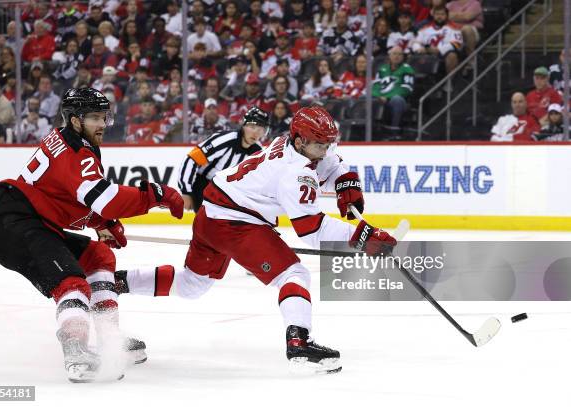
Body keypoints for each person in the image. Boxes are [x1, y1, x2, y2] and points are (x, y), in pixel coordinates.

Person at [116, 106, 397, 374]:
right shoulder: (296, 173)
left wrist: (347, 182)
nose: (324, 152)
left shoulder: (288, 144)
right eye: (318, 145)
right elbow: (312, 230)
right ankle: (299, 344)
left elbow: (333, 162)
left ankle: (116, 281)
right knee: (294, 274)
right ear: (299, 141)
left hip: (213, 211)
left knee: (192, 284)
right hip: (236, 222)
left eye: (327, 144)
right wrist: (363, 237)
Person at [0, 88, 184, 383]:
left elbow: (66, 195)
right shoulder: (76, 152)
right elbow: (107, 197)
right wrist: (157, 195)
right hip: (17, 226)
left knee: (99, 256)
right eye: (95, 118)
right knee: (72, 282)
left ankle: (108, 339)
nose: (102, 124)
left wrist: (103, 221)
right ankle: (75, 351)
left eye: (104, 117)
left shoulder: (71, 140)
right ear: (75, 120)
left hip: (32, 223)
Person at [178, 107, 268, 211]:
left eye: (261, 129)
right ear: (244, 126)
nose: (256, 133)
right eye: (252, 127)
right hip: (203, 185)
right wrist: (186, 191)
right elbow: (192, 159)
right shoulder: (226, 140)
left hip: (227, 191)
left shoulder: (258, 151)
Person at [411, 6, 463, 75]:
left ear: (447, 16)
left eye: (442, 14)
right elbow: (415, 42)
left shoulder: (453, 28)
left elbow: (457, 43)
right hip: (425, 53)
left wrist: (438, 50)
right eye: (437, 14)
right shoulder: (425, 28)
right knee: (409, 55)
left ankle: (450, 82)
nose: (439, 16)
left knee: (452, 56)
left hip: (443, 54)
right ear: (433, 15)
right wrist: (419, 49)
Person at [372, 46, 415, 129]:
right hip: (381, 97)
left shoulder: (407, 69)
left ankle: (394, 129)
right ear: (389, 56)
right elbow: (375, 85)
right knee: (364, 98)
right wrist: (378, 96)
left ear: (403, 57)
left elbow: (406, 89)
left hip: (398, 100)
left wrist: (387, 98)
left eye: (399, 54)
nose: (397, 56)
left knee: (397, 99)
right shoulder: (382, 68)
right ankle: (368, 129)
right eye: (394, 54)